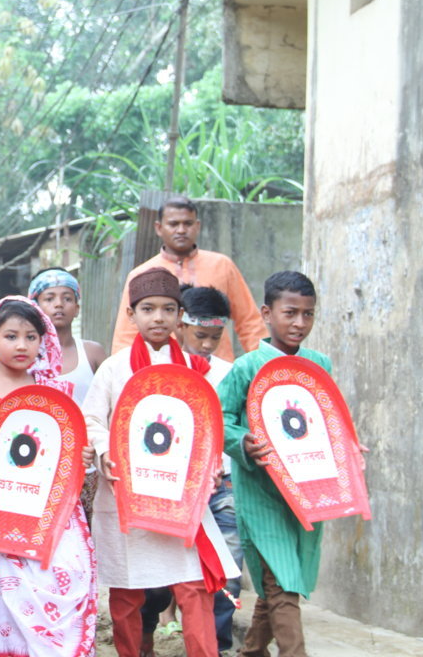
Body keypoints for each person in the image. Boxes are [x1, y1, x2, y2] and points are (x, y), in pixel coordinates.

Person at [84, 267, 239, 657]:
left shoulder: (193, 370)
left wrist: (212, 463)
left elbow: (208, 426)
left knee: (194, 588)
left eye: (168, 309)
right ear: (132, 315)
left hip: (180, 498)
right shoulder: (114, 368)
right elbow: (91, 420)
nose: (158, 318)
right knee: (128, 594)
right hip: (127, 498)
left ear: (179, 316)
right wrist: (104, 452)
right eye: (148, 309)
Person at [0, 296, 97, 657]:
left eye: (30, 336)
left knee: (67, 571)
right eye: (11, 336)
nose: (22, 345)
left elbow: (69, 452)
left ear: (44, 341)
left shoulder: (55, 393)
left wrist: (83, 456)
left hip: (49, 513)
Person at [218, 271, 360, 657]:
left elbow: (330, 418)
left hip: (308, 491)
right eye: (290, 313)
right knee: (282, 584)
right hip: (261, 493)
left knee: (281, 578)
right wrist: (242, 441)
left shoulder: (319, 364)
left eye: (308, 314)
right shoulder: (247, 367)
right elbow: (219, 417)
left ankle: (251, 651)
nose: (300, 323)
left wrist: (348, 448)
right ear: (267, 313)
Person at [139, 285, 240, 656]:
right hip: (168, 487)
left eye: (216, 337)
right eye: (201, 335)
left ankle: (218, 646)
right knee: (159, 578)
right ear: (181, 326)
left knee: (228, 570)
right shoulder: (153, 370)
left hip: (221, 487)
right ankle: (147, 627)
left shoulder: (230, 375)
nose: (209, 345)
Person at [111, 196, 266, 363]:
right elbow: (126, 334)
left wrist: (264, 365)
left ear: (197, 226)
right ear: (159, 228)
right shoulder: (142, 274)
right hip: (163, 371)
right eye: (173, 224)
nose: (181, 230)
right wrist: (125, 372)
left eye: (188, 223)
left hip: (217, 369)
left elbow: (249, 322)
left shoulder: (222, 265)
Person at [28, 267, 106, 405]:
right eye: (49, 298)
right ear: (35, 307)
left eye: (67, 298)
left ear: (77, 309)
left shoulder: (92, 353)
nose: (59, 304)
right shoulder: (25, 355)